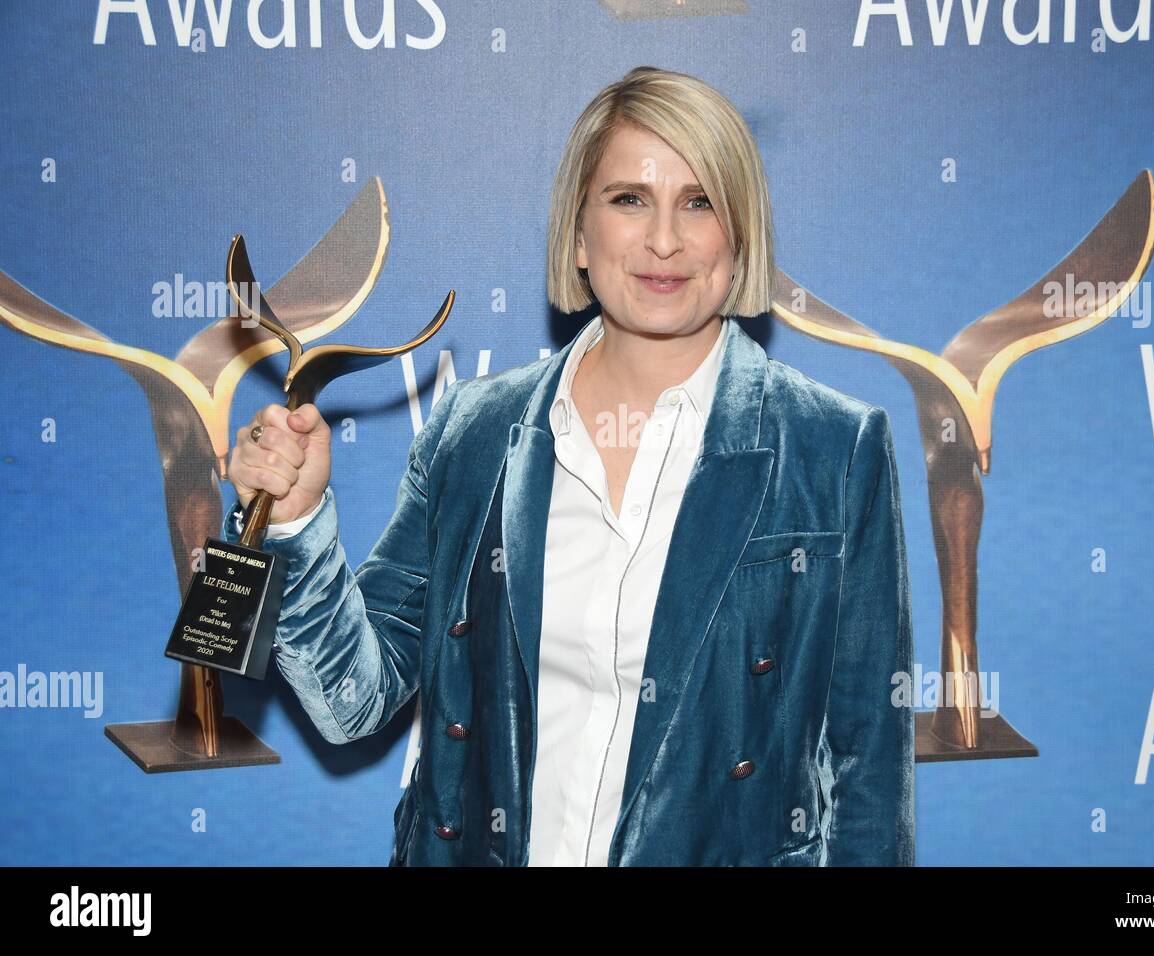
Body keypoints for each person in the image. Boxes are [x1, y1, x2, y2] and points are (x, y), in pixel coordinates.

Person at [224, 65, 915, 867]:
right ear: (579, 233)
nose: (664, 240)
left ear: (741, 234)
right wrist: (302, 521)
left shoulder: (834, 448)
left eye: (699, 201)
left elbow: (867, 777)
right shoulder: (475, 430)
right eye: (629, 199)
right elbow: (355, 703)